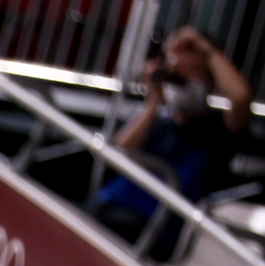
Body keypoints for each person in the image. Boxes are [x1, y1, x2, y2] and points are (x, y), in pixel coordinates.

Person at [94, 27, 254, 253]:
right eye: (176, 72)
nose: (183, 80)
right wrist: (152, 104)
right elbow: (114, 156)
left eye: (194, 72)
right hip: (107, 208)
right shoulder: (156, 121)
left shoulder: (218, 130)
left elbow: (240, 97)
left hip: (150, 229)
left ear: (211, 80)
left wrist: (203, 47)